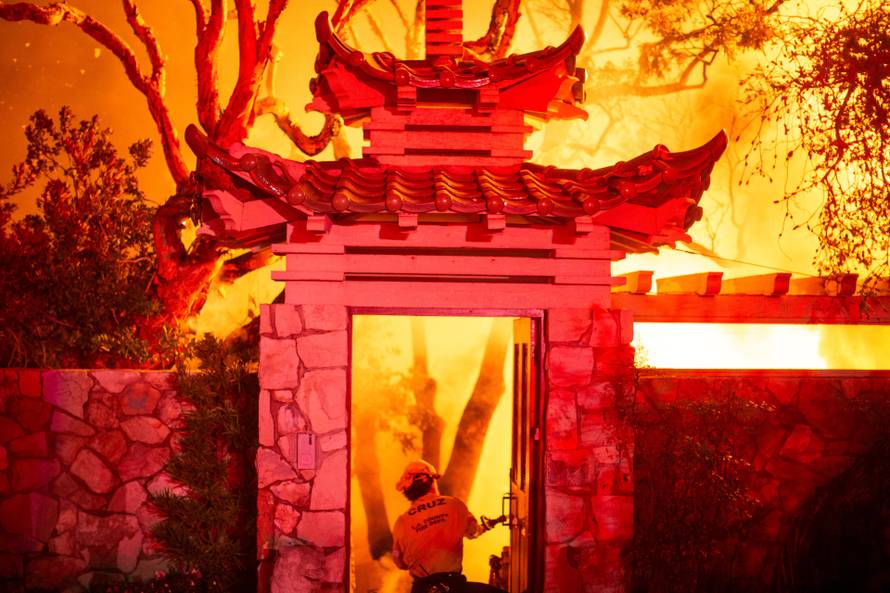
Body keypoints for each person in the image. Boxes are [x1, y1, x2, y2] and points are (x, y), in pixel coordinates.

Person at [392, 460, 508, 593]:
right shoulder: (455, 506)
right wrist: (484, 527)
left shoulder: (402, 522)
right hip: (452, 587)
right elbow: (473, 532)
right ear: (431, 481)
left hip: (422, 588)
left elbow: (398, 560)